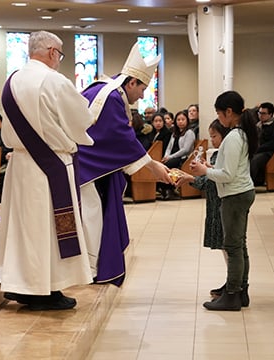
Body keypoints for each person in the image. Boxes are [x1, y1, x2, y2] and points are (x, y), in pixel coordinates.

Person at [0, 30, 95, 311]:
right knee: (47, 230)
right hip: (50, 167)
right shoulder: (53, 80)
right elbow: (81, 119)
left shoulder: (11, 81)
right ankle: (44, 290)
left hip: (21, 165)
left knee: (24, 229)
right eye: (60, 55)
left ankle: (21, 285)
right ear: (52, 52)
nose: (59, 61)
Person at [78, 41, 171, 286]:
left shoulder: (105, 90)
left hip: (90, 165)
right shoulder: (111, 98)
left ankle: (91, 265)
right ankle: (89, 267)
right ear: (131, 82)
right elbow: (123, 139)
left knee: (94, 211)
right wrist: (154, 167)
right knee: (92, 214)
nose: (141, 96)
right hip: (84, 167)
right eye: (141, 89)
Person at [184, 90, 258, 311]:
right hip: (239, 192)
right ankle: (240, 291)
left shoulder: (235, 137)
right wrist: (208, 169)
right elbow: (229, 171)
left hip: (235, 195)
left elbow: (228, 175)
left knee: (233, 247)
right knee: (239, 245)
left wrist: (204, 171)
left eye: (219, 112)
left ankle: (233, 295)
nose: (219, 117)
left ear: (228, 112)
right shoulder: (240, 134)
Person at [176, 119, 230, 295]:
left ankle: (234, 284)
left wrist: (194, 176)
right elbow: (211, 176)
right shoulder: (218, 153)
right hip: (216, 204)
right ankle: (231, 281)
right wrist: (204, 170)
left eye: (215, 136)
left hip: (225, 203)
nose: (212, 140)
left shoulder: (228, 152)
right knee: (224, 246)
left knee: (230, 247)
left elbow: (217, 179)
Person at [159, 109, 196, 200]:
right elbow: (169, 147)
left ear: (187, 120)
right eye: (178, 120)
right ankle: (165, 190)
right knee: (161, 165)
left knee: (167, 165)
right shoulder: (174, 133)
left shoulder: (189, 133)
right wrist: (166, 156)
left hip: (183, 158)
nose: (180, 122)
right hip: (173, 157)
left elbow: (185, 150)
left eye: (183, 119)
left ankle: (169, 190)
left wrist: (170, 157)